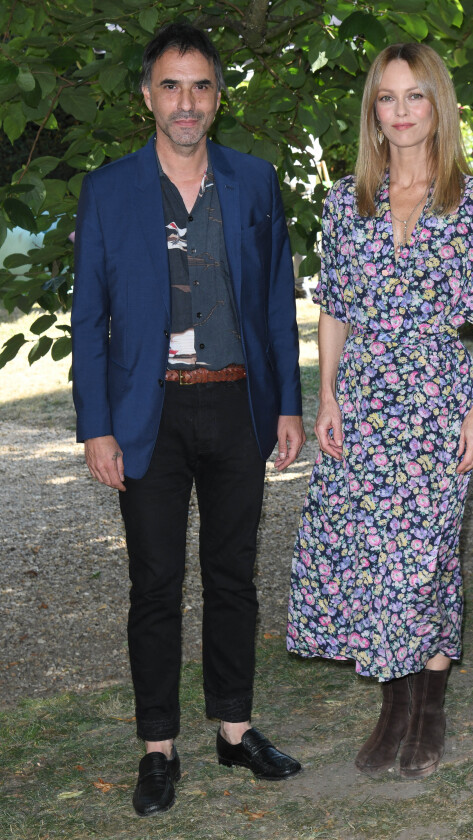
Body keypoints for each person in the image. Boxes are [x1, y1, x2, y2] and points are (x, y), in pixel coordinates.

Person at [72, 22, 305, 817]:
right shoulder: (108, 191)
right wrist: (96, 427)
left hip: (238, 403)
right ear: (147, 94)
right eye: (171, 85)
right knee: (156, 584)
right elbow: (89, 318)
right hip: (150, 414)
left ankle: (235, 734)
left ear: (216, 95)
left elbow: (277, 302)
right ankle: (158, 750)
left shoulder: (254, 182)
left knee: (234, 576)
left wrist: (289, 406)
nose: (186, 101)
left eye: (200, 85)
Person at [287, 42, 473, 780]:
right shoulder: (347, 199)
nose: (402, 111)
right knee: (374, 561)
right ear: (373, 113)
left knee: (424, 559)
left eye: (415, 96)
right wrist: (325, 395)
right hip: (367, 398)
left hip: (441, 400)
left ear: (437, 104)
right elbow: (336, 309)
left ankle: (430, 701)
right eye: (388, 97)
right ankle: (395, 705)